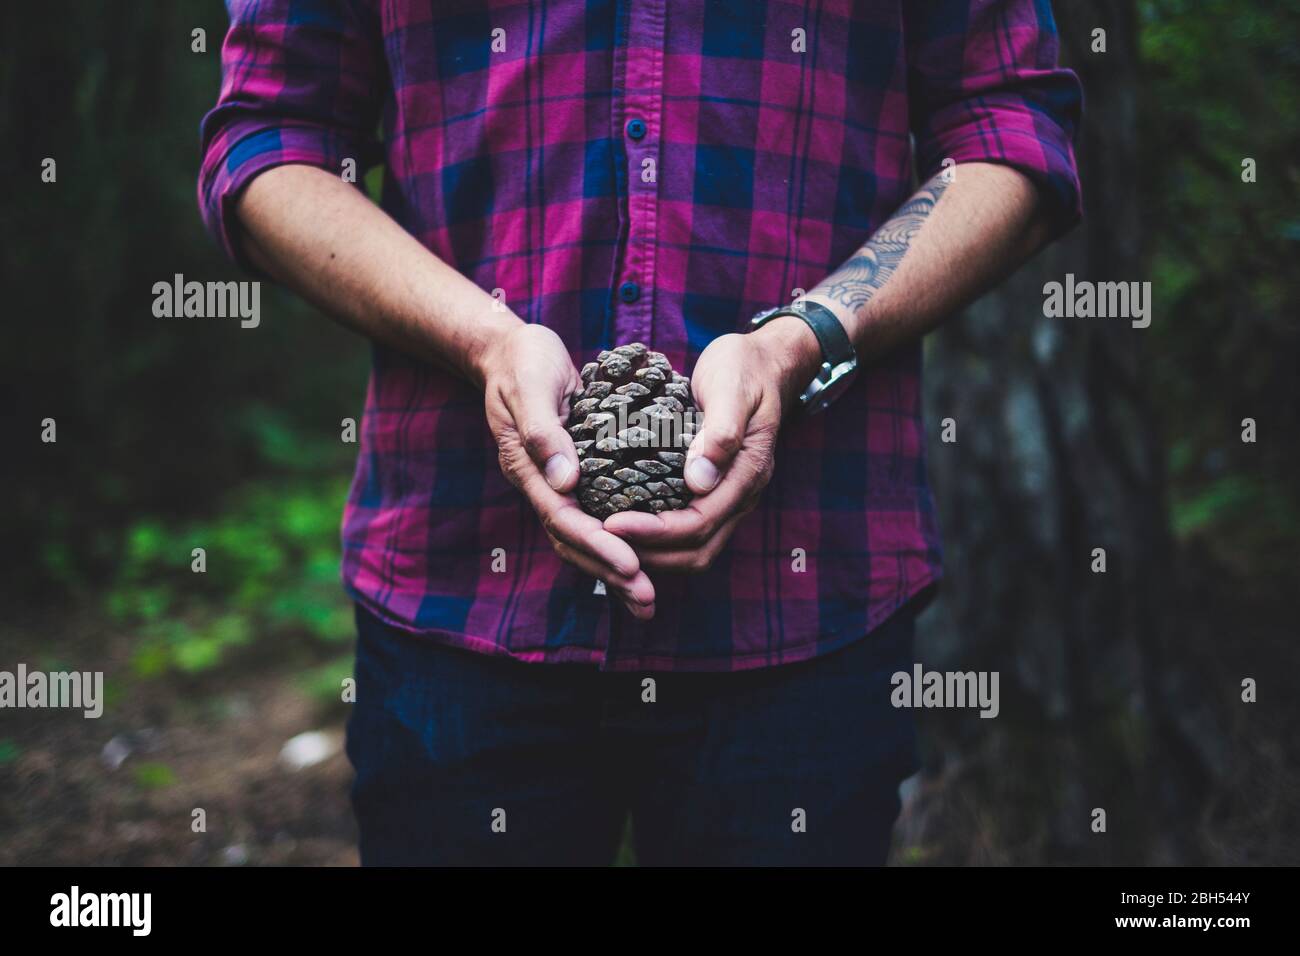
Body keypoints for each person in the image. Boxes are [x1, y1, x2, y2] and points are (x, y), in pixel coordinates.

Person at [198, 0, 1081, 866]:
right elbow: (273, 140)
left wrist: (803, 340)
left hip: (811, 593)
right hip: (459, 590)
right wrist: (484, 340)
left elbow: (1010, 130)